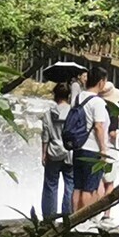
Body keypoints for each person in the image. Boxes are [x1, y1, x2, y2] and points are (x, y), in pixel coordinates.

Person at [72, 66, 110, 214]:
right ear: (101, 82)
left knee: (77, 186)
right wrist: (103, 149)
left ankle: (73, 217)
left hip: (78, 146)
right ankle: (84, 218)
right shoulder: (98, 102)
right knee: (89, 187)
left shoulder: (78, 97)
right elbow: (99, 126)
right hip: (92, 148)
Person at [41, 82, 74, 218]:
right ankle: (68, 216)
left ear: (55, 96)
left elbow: (45, 136)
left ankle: (49, 217)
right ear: (69, 95)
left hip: (53, 151)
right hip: (70, 152)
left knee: (51, 185)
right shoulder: (73, 112)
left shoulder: (49, 114)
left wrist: (43, 154)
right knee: (70, 184)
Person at [97, 82, 119, 225]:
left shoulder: (96, 106)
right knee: (109, 183)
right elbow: (113, 133)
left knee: (98, 181)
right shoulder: (114, 108)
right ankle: (106, 213)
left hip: (95, 148)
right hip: (109, 149)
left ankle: (93, 212)